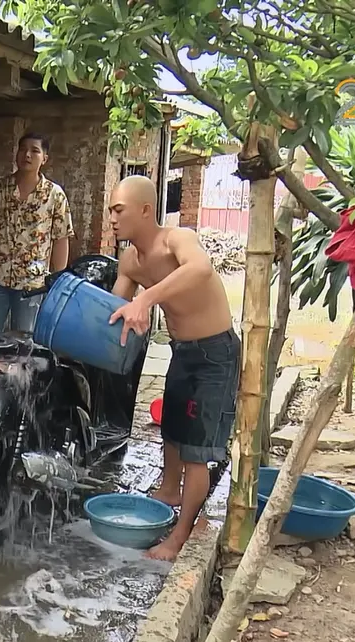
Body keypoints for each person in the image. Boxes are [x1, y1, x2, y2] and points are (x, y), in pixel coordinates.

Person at [107, 175, 239, 562]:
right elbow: (114, 307)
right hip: (181, 350)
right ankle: (168, 490)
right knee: (173, 431)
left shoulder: (177, 239)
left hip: (215, 353)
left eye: (119, 210)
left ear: (145, 211)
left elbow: (200, 269)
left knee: (196, 449)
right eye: (111, 211)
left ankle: (181, 536)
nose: (112, 219)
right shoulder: (130, 260)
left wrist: (147, 297)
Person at [0, 132, 73, 333]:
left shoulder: (54, 195)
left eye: (34, 151)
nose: (27, 155)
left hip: (33, 285)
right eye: (23, 149)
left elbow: (61, 239)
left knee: (24, 344)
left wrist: (57, 281)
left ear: (45, 158)